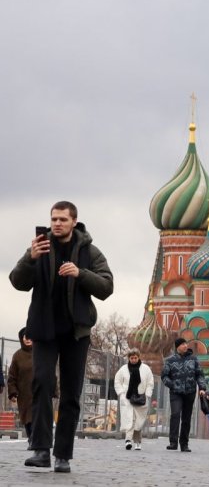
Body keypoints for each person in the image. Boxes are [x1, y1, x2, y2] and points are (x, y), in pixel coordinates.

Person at [9, 201, 115, 474]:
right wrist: (29, 258)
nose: (57, 224)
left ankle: (63, 455)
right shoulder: (40, 247)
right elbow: (17, 281)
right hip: (44, 330)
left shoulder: (89, 251)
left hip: (76, 332)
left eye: (62, 220)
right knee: (42, 383)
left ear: (74, 221)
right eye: (53, 219)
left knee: (70, 394)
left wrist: (81, 273)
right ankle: (41, 449)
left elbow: (106, 286)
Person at [161, 337, 205, 451]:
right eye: (182, 344)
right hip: (176, 392)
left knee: (186, 418)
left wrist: (202, 387)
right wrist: (172, 385)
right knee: (175, 414)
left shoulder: (193, 359)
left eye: (186, 344)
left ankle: (184, 443)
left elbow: (200, 374)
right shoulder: (170, 361)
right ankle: (173, 442)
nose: (185, 346)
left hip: (190, 392)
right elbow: (164, 376)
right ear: (177, 347)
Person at [114, 349, 155, 451]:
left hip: (141, 397)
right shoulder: (123, 369)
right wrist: (121, 394)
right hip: (128, 397)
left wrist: (148, 394)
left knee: (138, 421)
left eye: (135, 358)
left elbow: (150, 382)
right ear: (129, 358)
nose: (133, 360)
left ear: (139, 357)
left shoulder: (146, 369)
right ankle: (128, 440)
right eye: (131, 358)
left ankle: (137, 441)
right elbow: (117, 381)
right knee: (130, 419)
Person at [7, 329, 35, 446]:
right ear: (21, 338)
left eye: (30, 336)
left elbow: (49, 372)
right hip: (24, 394)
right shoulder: (17, 356)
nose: (28, 339)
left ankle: (36, 440)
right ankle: (31, 439)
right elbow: (12, 376)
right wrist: (13, 393)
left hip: (39, 391)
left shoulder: (40, 353)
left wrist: (53, 389)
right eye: (25, 337)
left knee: (37, 417)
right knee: (27, 419)